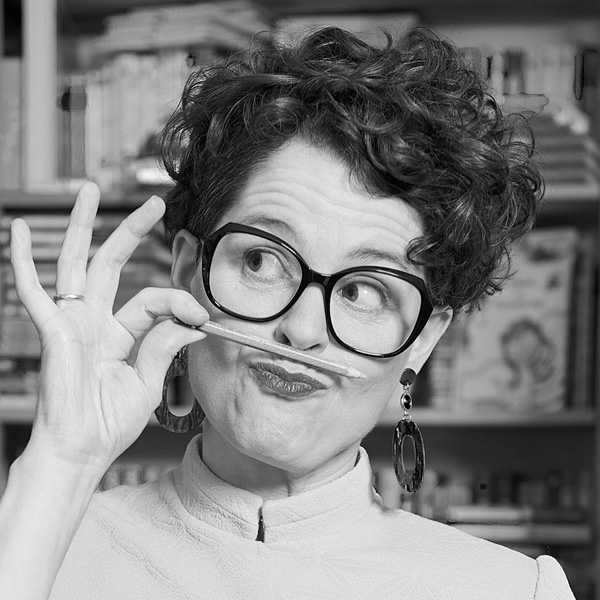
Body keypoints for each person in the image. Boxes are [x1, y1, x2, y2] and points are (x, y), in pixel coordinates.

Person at [0, 26, 575, 599]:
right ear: (188, 272)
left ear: (422, 340)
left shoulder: (518, 590)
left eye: (363, 292)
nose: (301, 330)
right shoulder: (38, 539)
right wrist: (60, 465)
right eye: (261, 261)